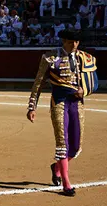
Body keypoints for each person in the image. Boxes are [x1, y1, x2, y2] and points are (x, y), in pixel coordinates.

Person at [27, 29, 98, 197]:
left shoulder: (84, 58)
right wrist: (32, 107)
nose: (74, 45)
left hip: (77, 104)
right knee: (62, 142)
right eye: (70, 42)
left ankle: (57, 167)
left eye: (76, 42)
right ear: (63, 41)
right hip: (59, 102)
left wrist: (85, 92)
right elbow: (38, 83)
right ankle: (66, 184)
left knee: (76, 147)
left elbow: (93, 81)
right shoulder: (50, 58)